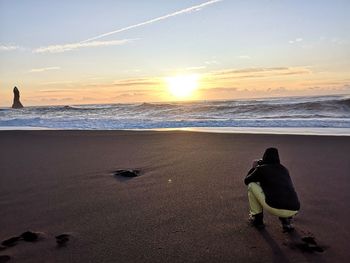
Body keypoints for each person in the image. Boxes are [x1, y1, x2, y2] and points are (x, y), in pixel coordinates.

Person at [244, 147, 300, 231]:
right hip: (294, 208)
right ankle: (287, 221)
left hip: (275, 207)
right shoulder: (284, 170)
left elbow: (247, 181)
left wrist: (254, 167)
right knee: (281, 190)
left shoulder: (261, 169)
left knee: (252, 185)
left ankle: (257, 220)